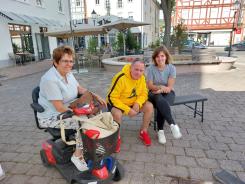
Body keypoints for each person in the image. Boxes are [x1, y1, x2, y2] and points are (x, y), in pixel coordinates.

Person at [37, 46, 106, 171]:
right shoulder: (50, 79)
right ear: (56, 62)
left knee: (95, 115)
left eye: (70, 61)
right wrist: (80, 113)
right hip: (52, 116)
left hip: (70, 107)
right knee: (83, 123)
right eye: (65, 61)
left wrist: (95, 95)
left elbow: (79, 89)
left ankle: (90, 146)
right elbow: (58, 107)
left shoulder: (68, 73)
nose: (69, 64)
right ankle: (77, 155)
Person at [106, 60, 153, 151]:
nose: (138, 73)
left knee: (149, 106)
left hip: (133, 103)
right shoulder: (120, 77)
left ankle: (143, 132)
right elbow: (112, 97)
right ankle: (116, 138)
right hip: (118, 103)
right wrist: (128, 110)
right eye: (136, 69)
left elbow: (144, 93)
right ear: (131, 68)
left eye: (141, 70)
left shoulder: (142, 77)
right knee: (117, 114)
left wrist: (138, 103)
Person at [146, 45, 182, 145]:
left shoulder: (171, 68)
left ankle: (160, 131)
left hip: (168, 93)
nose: (160, 58)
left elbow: (169, 87)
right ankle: (172, 124)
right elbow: (149, 86)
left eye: (162, 56)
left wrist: (160, 88)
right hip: (153, 94)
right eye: (157, 56)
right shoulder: (151, 68)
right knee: (159, 99)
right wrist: (160, 88)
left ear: (166, 56)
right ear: (154, 58)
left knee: (161, 103)